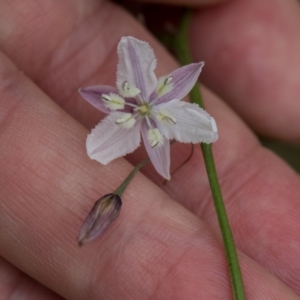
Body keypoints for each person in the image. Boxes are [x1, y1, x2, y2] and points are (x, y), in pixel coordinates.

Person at [0, 0, 300, 299]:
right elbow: (101, 130)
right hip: (148, 115)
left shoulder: (172, 110)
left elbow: (201, 124)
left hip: (160, 114)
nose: (141, 107)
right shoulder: (128, 98)